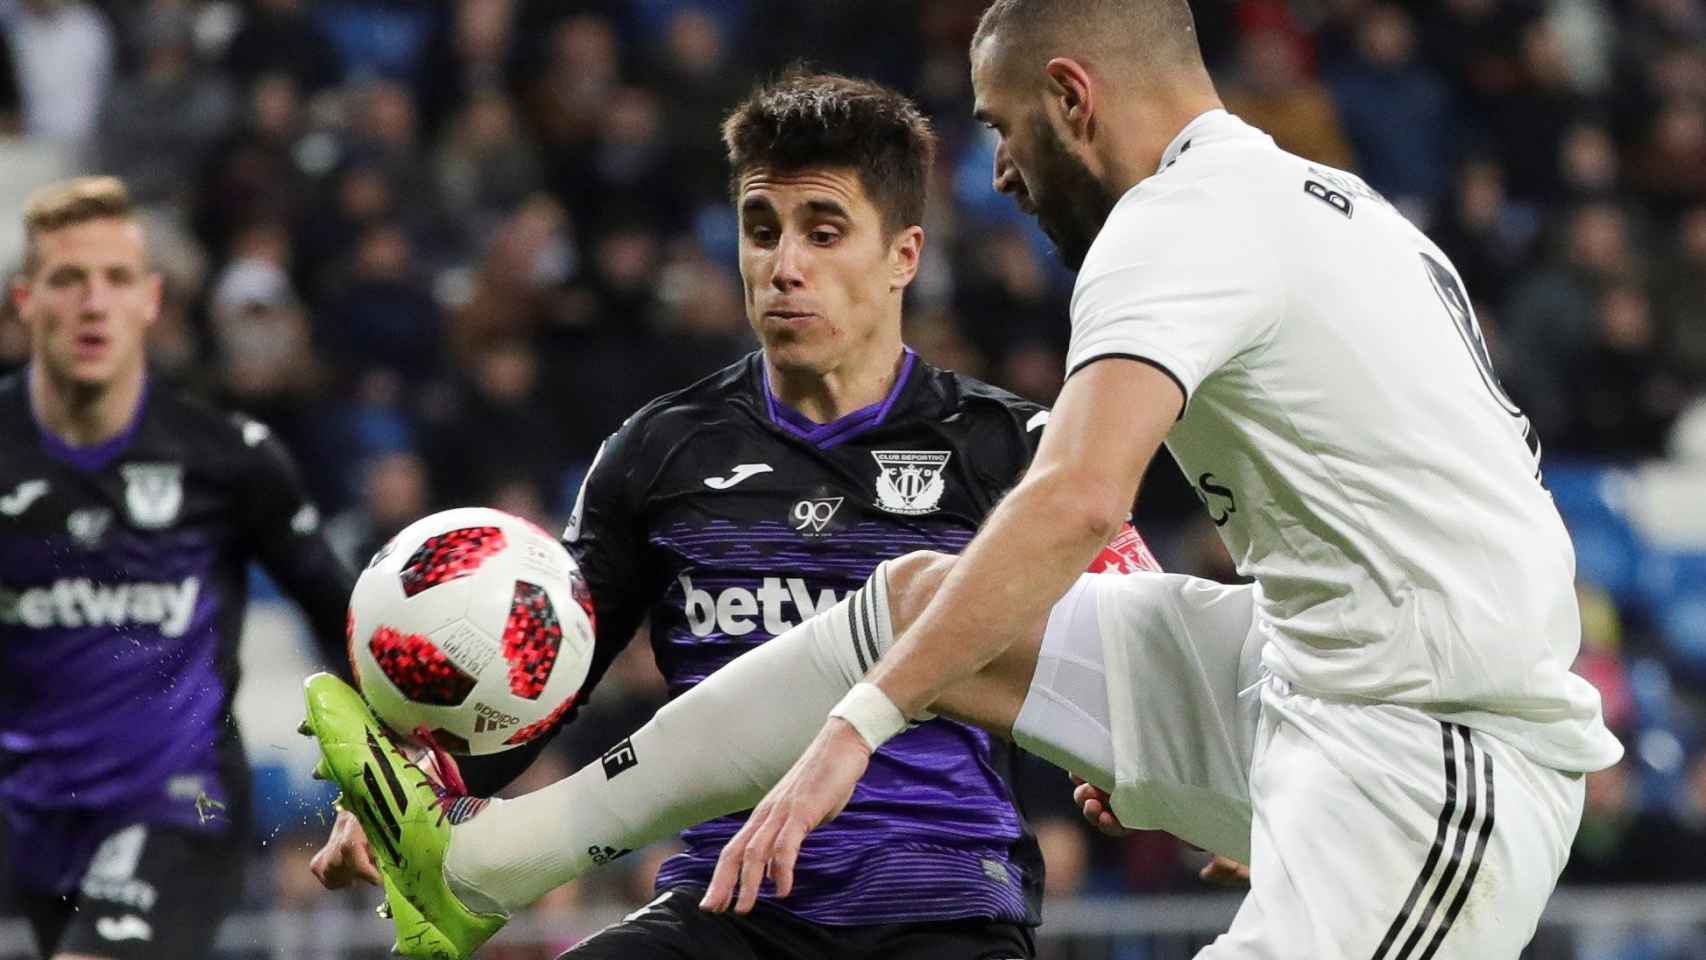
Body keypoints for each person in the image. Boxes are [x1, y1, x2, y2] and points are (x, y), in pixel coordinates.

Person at [304, 0, 1622, 954]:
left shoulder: (1170, 226)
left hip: (1435, 748)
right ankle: (487, 864)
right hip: (1309, 670)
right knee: (919, 599)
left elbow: (1077, 501)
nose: (998, 169)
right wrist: (1174, 734)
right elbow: (1056, 513)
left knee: (903, 652)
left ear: (1071, 96)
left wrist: (858, 730)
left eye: (1001, 129)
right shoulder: (1320, 206)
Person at [305, 72, 1162, 960]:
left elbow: (1147, 654)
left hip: (942, 901)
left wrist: (1165, 790)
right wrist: (413, 783)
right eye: (762, 232)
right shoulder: (658, 452)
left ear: (905, 255)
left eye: (823, 234)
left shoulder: (1013, 448)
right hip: (732, 902)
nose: (784, 265)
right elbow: (545, 675)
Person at [0, 176, 354, 960]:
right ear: (27, 301)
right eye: (68, 279)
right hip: (28, 812)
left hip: (179, 805)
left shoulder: (228, 459)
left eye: (116, 279)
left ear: (150, 301)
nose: (93, 302)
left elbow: (351, 630)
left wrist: (381, 791)